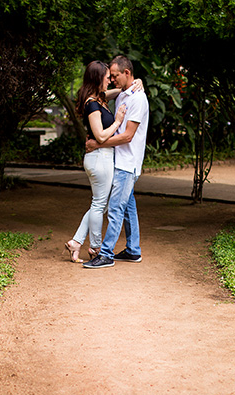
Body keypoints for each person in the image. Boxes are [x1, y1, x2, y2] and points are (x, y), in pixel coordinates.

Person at [83, 54, 149, 269]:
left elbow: (128, 136)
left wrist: (97, 144)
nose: (111, 79)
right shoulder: (122, 94)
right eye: (109, 76)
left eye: (115, 76)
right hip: (118, 159)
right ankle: (133, 250)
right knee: (128, 208)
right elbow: (99, 96)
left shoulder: (138, 99)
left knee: (115, 209)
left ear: (127, 73)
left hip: (127, 163)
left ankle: (106, 254)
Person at [64, 61, 130, 263]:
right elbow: (100, 136)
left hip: (101, 159)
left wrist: (135, 83)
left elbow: (118, 91)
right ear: (97, 78)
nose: (110, 80)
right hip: (99, 159)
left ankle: (76, 242)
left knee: (99, 204)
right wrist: (118, 121)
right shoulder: (92, 104)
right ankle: (95, 247)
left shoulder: (98, 98)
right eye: (107, 77)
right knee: (100, 204)